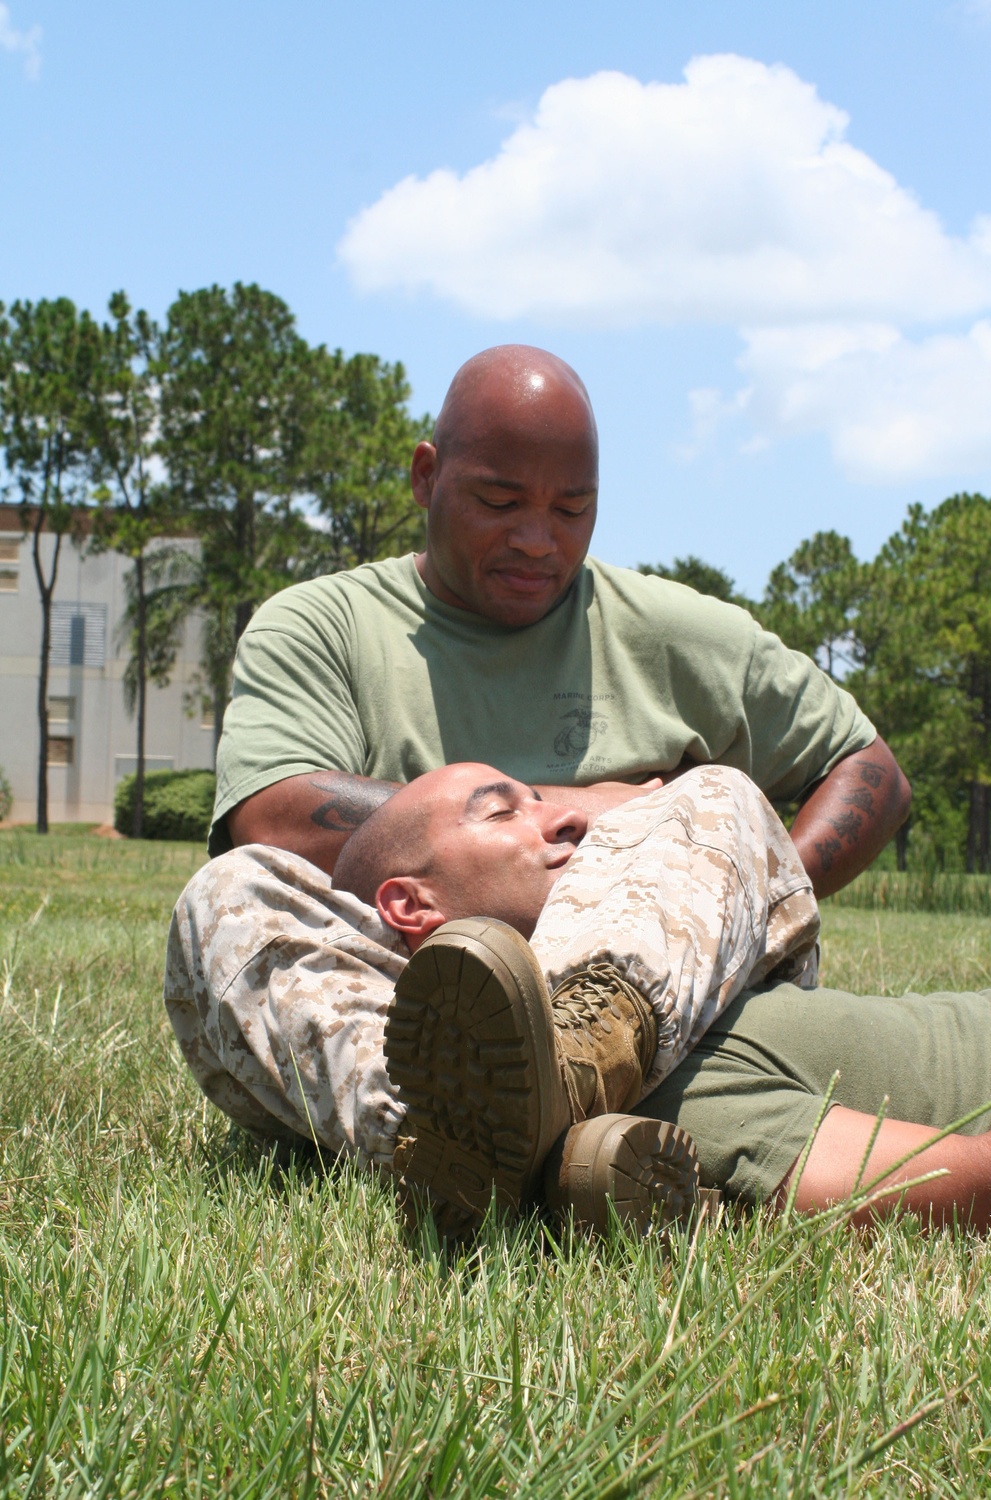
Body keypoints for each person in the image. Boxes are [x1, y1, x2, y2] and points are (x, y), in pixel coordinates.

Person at [166, 343, 911, 1231]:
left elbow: (873, 773)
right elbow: (273, 815)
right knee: (225, 895)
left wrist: (736, 890)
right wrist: (614, 804)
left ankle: (548, 1098)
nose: (537, 538)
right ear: (425, 477)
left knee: (718, 800)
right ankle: (458, 1137)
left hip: (663, 1020)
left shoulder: (672, 633)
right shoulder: (322, 626)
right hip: (416, 1013)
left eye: (573, 508)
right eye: (499, 501)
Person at [335, 761, 991, 1238]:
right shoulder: (670, 1094)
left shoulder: (688, 983)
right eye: (504, 810)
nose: (568, 815)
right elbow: (949, 1182)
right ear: (409, 902)